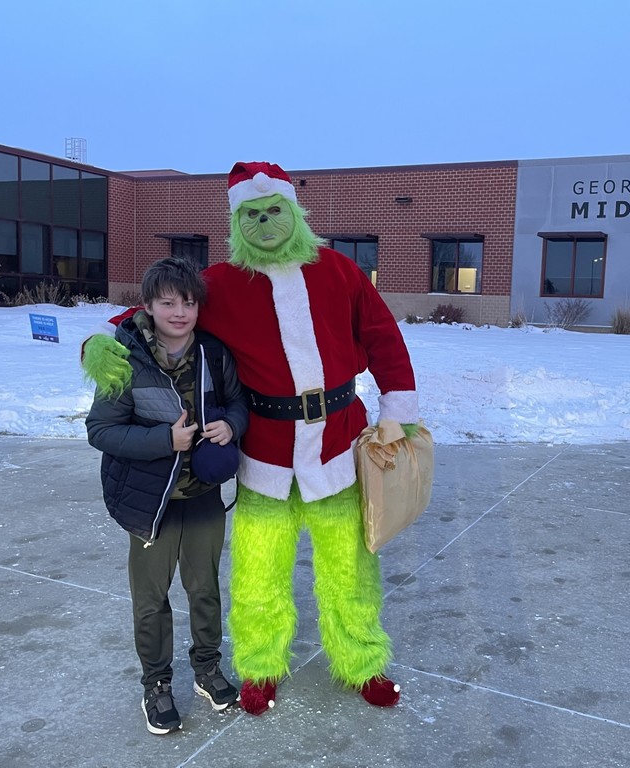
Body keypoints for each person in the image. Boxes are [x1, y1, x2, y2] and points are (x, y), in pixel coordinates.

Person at [83, 161, 419, 716]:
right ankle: (261, 666)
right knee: (259, 572)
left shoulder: (339, 270)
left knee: (350, 569)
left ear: (295, 212)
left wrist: (397, 410)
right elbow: (158, 312)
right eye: (252, 214)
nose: (265, 222)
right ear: (237, 222)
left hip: (336, 445)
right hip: (265, 453)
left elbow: (383, 336)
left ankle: (362, 661)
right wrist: (103, 339)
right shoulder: (221, 283)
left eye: (274, 210)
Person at [85, 256, 248, 734]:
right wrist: (165, 440)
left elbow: (238, 402)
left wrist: (231, 424)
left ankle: (207, 668)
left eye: (189, 303)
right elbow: (100, 430)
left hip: (202, 496)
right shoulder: (123, 358)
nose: (180, 313)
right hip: (149, 502)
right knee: (151, 598)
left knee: (205, 589)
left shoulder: (213, 353)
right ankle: (156, 683)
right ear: (149, 305)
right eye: (168, 303)